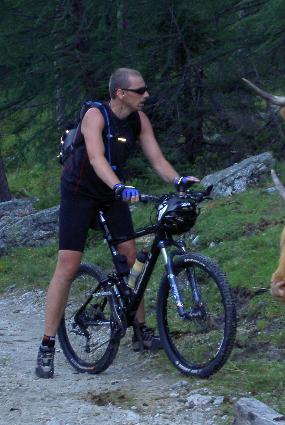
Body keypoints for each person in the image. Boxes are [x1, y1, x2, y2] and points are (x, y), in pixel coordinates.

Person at [35, 67, 199, 379]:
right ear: (120, 93)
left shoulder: (139, 120)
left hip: (112, 193)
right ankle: (47, 345)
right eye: (140, 90)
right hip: (79, 191)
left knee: (131, 258)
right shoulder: (95, 116)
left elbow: (157, 159)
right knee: (68, 265)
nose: (146, 95)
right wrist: (119, 187)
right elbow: (96, 158)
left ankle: (141, 331)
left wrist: (177, 179)